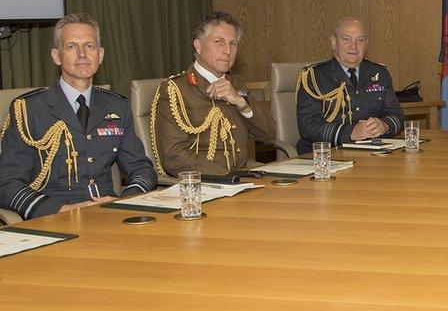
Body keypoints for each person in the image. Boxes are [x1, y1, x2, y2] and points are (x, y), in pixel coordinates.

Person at [0, 13, 156, 219]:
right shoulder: (29, 109)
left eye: (89, 46)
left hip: (110, 215)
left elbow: (141, 168)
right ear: (56, 56)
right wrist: (60, 210)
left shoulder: (117, 105)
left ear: (100, 55)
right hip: (55, 216)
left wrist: (124, 201)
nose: (82, 54)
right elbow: (7, 183)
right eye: (72, 46)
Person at [151, 11, 276, 176]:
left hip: (241, 179)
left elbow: (268, 134)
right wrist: (229, 176)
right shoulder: (175, 90)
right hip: (205, 184)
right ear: (198, 46)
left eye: (233, 44)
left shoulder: (236, 83)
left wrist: (242, 104)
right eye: (219, 42)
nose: (228, 51)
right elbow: (174, 157)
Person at [296, 17, 404, 153]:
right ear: (334, 42)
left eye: (360, 40)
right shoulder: (313, 76)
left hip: (371, 155)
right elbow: (308, 126)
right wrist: (350, 132)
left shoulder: (380, 73)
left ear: (366, 44)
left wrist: (383, 125)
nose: (354, 46)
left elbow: (398, 116)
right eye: (346, 39)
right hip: (324, 155)